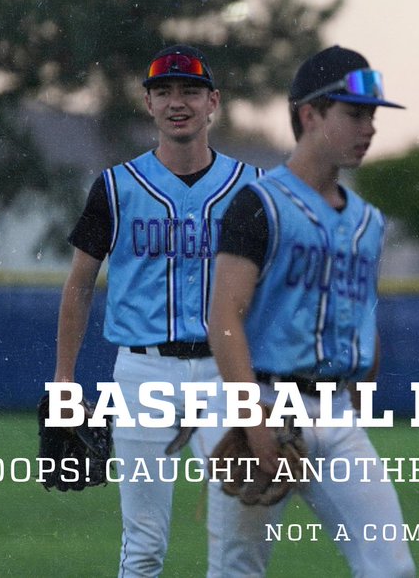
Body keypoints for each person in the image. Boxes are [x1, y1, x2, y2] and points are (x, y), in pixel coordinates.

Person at [52, 44, 265, 577]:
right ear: (148, 104)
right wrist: (63, 380)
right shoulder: (116, 187)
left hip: (225, 371)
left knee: (237, 540)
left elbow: (275, 290)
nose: (177, 102)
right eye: (163, 91)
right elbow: (79, 285)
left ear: (212, 102)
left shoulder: (252, 187)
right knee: (144, 547)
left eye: (190, 91)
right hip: (143, 370)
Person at [206, 45, 414, 577]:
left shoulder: (368, 222)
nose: (368, 128)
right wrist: (251, 422)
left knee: (392, 568)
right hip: (265, 400)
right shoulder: (260, 204)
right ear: (309, 114)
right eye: (353, 113)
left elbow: (363, 320)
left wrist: (357, 395)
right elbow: (224, 315)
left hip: (337, 413)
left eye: (371, 116)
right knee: (238, 570)